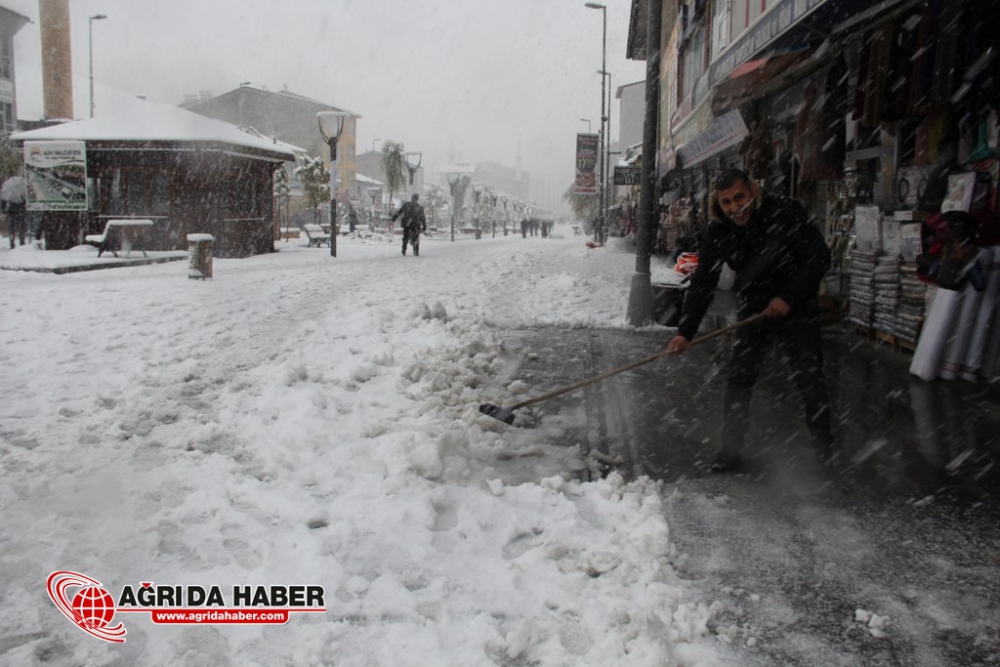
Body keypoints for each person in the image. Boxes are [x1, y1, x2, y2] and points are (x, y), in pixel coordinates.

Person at [666, 168, 834, 473]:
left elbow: (819, 257)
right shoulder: (717, 232)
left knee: (809, 379)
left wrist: (789, 297)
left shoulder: (785, 212)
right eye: (727, 202)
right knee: (739, 379)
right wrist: (685, 332)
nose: (735, 207)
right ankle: (731, 452)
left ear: (754, 190)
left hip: (797, 307)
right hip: (755, 309)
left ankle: (824, 451)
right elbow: (703, 283)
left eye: (739, 197)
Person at [1, 175, 27, 249]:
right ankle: (22, 241)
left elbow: (4, 199)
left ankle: (12, 242)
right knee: (21, 226)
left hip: (11, 209)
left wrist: (3, 209)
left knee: (12, 227)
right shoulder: (23, 187)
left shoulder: (8, 188)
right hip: (21, 209)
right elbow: (25, 199)